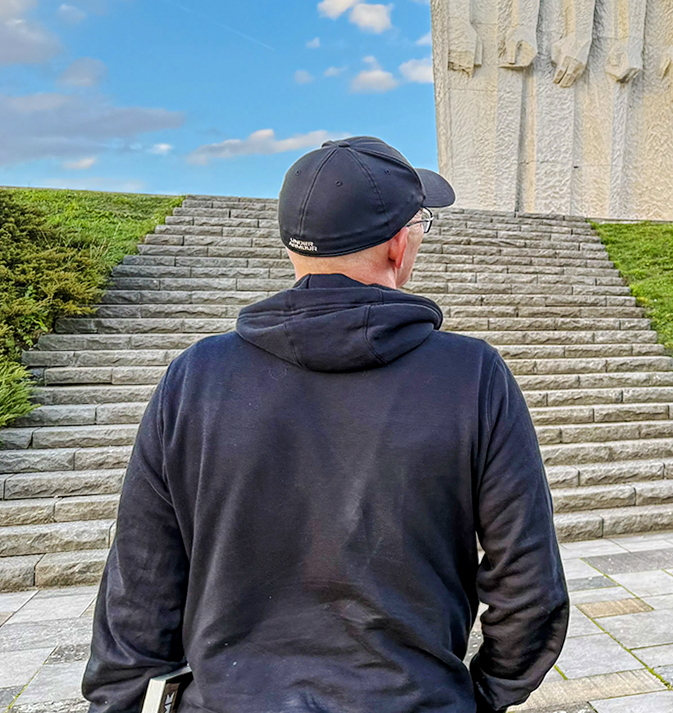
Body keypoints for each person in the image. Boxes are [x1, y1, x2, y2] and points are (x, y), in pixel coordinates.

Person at [84, 136, 569, 713]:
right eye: (420, 223)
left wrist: (120, 704)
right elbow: (529, 585)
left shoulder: (195, 377)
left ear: (294, 247)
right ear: (397, 244)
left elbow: (139, 581)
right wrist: (483, 696)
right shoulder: (473, 376)